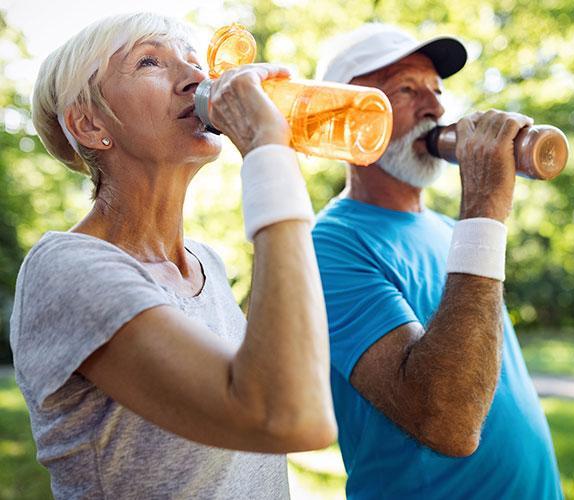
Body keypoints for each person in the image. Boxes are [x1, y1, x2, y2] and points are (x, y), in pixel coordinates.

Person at [10, 12, 336, 499]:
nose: (198, 79)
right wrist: (269, 154)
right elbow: (289, 416)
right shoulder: (66, 269)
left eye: (194, 62)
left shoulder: (208, 264)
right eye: (149, 61)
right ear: (89, 123)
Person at [312, 23, 563, 498]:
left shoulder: (454, 231)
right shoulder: (329, 245)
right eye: (406, 89)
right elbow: (448, 422)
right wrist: (485, 206)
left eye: (437, 89)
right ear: (343, 118)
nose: (436, 108)